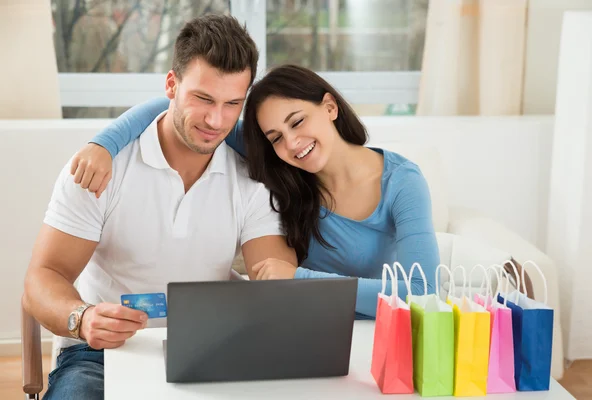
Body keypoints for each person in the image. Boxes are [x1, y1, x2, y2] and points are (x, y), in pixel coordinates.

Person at [22, 15, 296, 400]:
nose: (216, 120)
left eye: (232, 103)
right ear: (172, 84)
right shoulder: (101, 169)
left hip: (211, 350)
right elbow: (42, 279)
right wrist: (82, 319)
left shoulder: (251, 180)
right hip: (101, 356)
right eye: (203, 99)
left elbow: (274, 279)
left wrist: (278, 289)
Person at [70, 66, 440, 319]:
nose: (293, 143)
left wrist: (297, 279)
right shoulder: (282, 168)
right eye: (276, 137)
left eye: (298, 121)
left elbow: (420, 295)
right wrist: (103, 144)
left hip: (375, 336)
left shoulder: (402, 182)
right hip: (305, 327)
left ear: (329, 106)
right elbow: (174, 107)